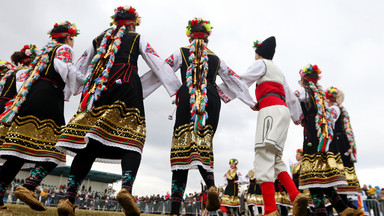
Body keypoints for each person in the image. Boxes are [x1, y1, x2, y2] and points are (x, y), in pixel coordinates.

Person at [55, 6, 180, 216]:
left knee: (89, 144)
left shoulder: (98, 40)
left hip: (98, 88)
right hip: (126, 85)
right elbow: (157, 64)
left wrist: (75, 89)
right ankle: (126, 189)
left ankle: (68, 198)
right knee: (133, 139)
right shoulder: (136, 38)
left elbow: (80, 65)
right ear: (132, 24)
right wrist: (176, 90)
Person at [141, 17, 255, 215]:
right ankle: (211, 186)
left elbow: (161, 70)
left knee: (181, 152)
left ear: (189, 35)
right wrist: (251, 101)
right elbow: (235, 80)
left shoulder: (181, 52)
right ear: (208, 37)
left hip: (188, 98)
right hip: (211, 100)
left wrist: (145, 89)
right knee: (204, 144)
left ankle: (175, 210)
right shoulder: (217, 59)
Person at [0, 21, 83, 211]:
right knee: (59, 146)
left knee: (19, 151)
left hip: (31, 98)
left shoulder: (44, 54)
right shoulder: (64, 49)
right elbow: (65, 69)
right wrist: (86, 80)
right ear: (69, 37)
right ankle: (29, 186)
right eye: (73, 39)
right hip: (49, 97)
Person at [221, 36, 307, 216]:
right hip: (282, 111)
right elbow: (290, 97)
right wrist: (298, 118)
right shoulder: (279, 71)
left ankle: (270, 210)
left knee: (262, 156)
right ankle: (295, 195)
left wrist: (249, 101)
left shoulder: (261, 64)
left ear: (258, 53)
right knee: (275, 158)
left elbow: (241, 80)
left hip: (269, 111)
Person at [294, 64, 361, 216]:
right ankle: (343, 208)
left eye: (301, 80)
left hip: (314, 137)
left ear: (304, 80)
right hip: (323, 138)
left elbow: (293, 98)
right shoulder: (319, 96)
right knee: (321, 177)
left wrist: (296, 117)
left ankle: (324, 211)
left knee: (313, 177)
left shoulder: (305, 91)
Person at [325, 87, 362, 211]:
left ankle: (345, 205)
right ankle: (346, 204)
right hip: (343, 141)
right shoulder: (341, 108)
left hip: (338, 142)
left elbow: (330, 124)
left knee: (339, 170)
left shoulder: (333, 109)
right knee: (343, 171)